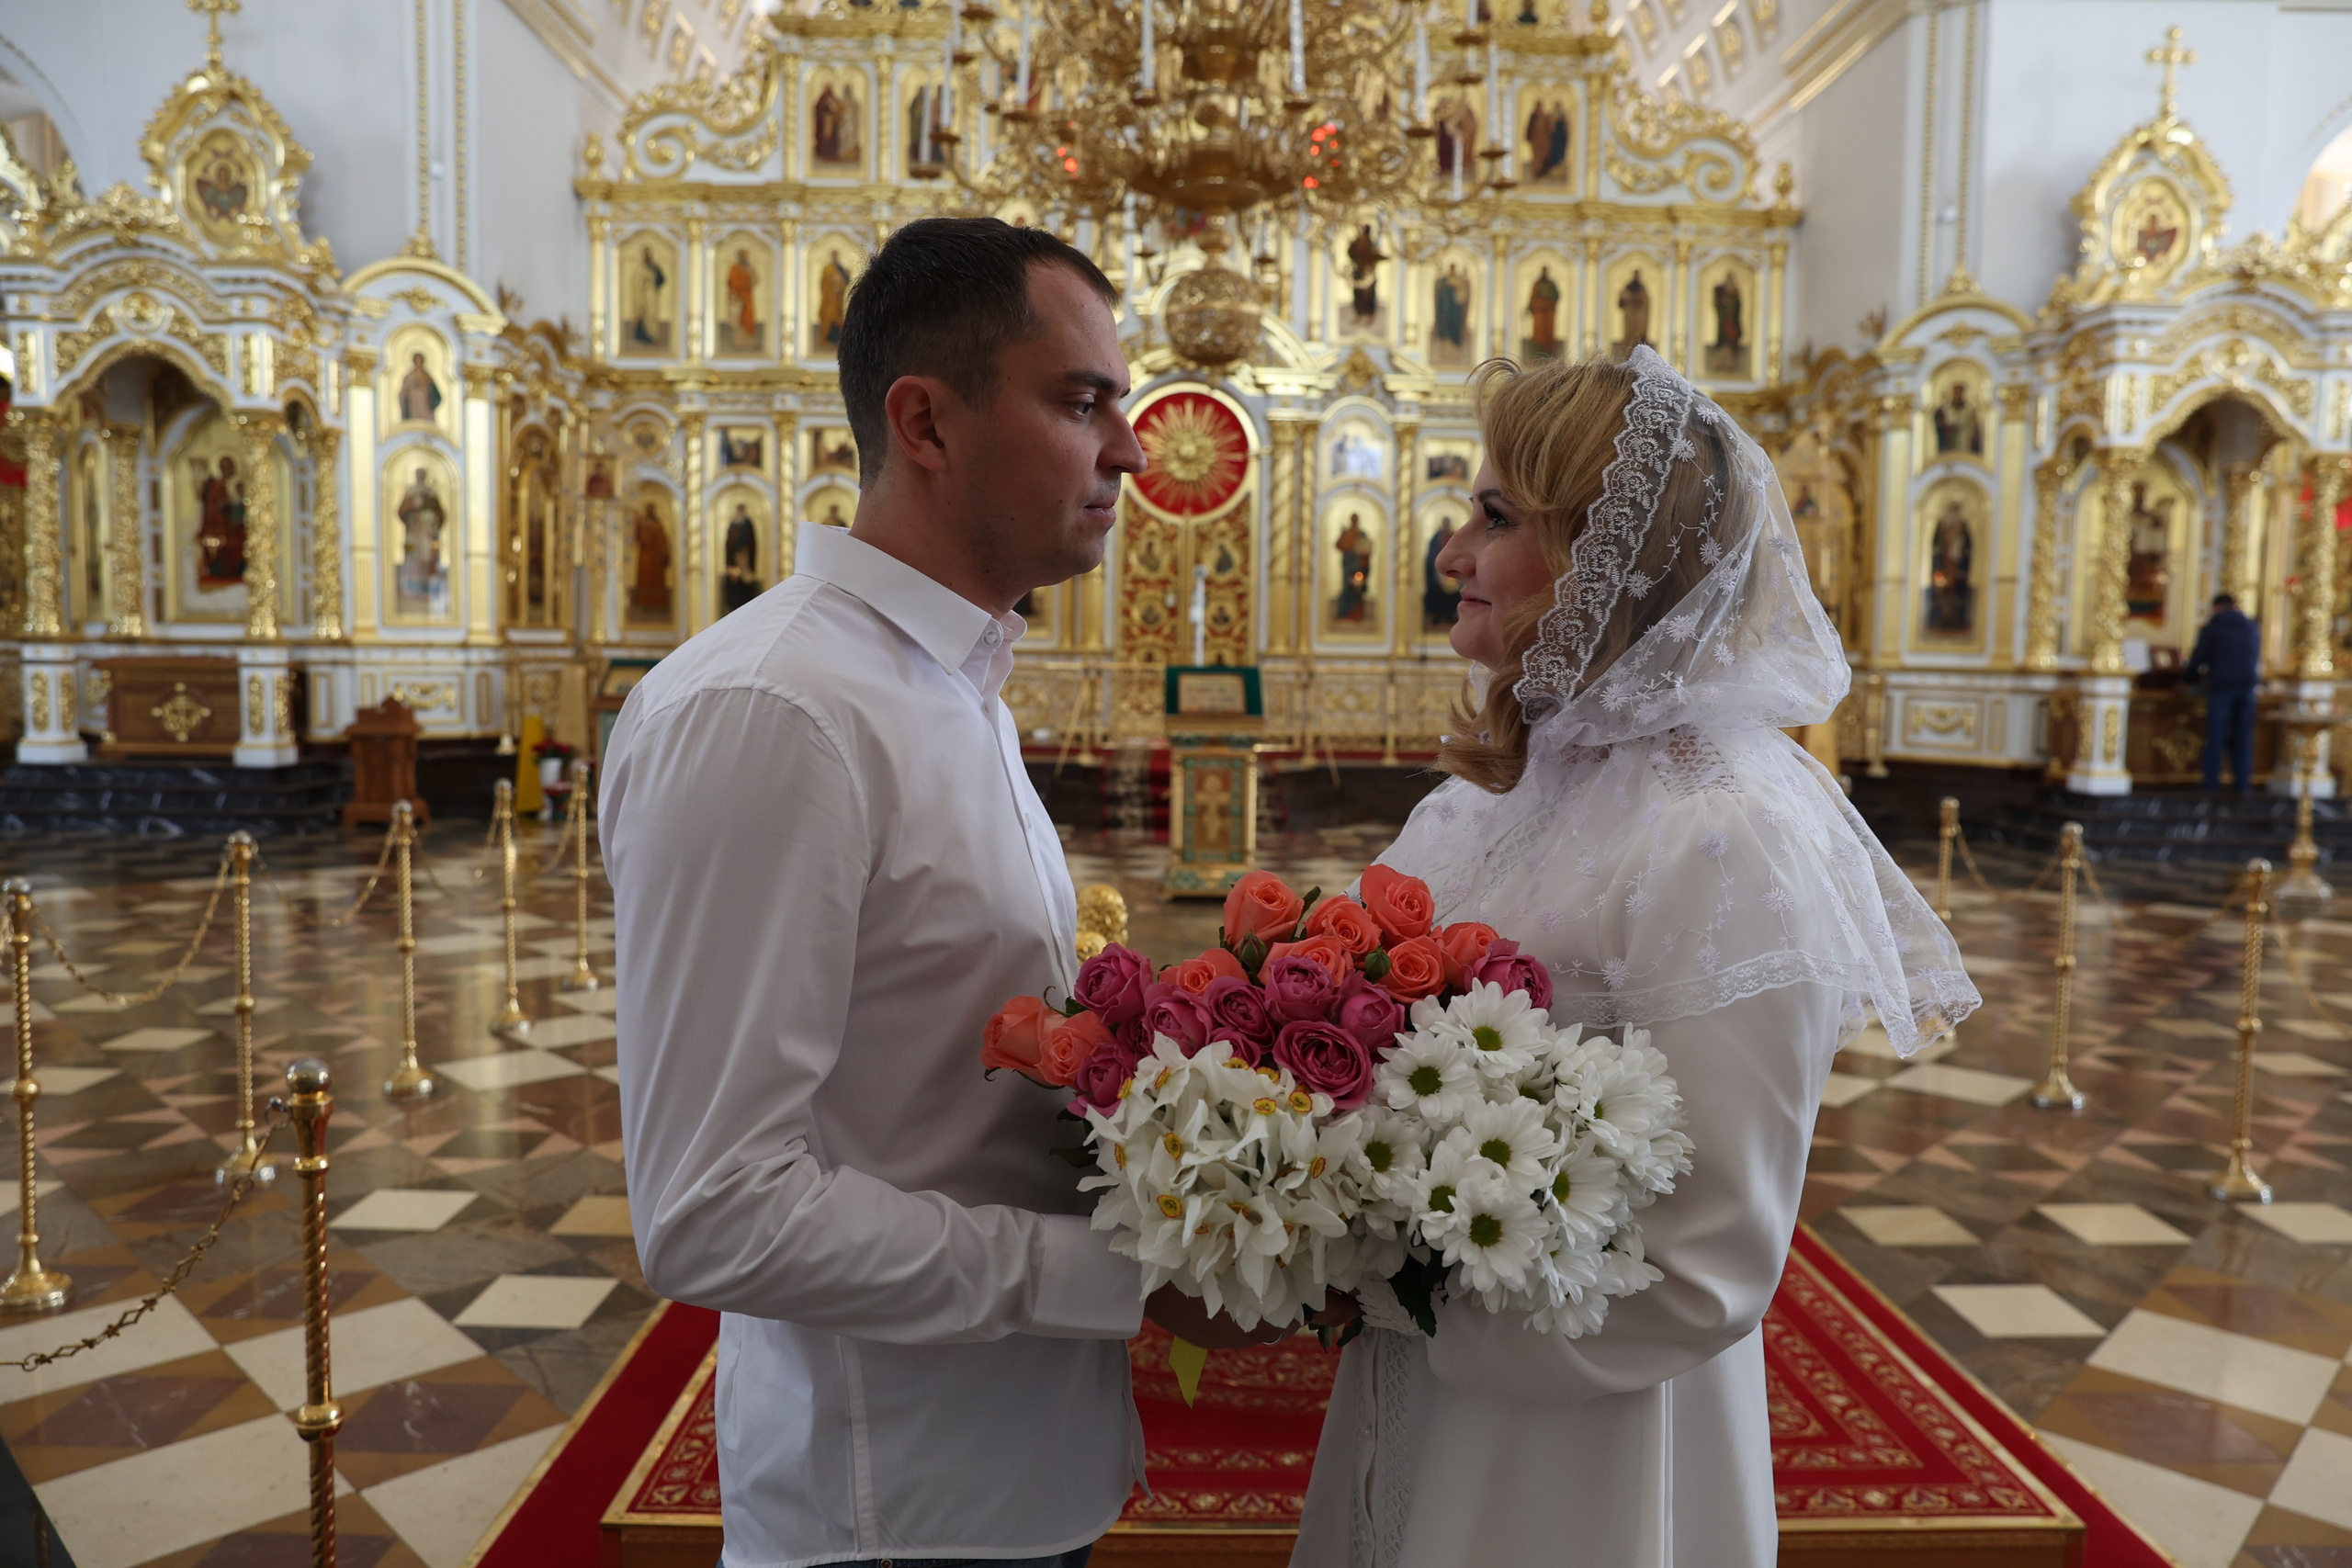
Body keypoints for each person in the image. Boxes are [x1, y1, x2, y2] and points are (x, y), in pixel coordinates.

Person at [603, 216, 1272, 1568]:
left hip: (1011, 1465)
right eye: (1083, 402)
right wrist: (1109, 1276)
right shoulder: (775, 711)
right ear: (926, 420)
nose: (1135, 450)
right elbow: (713, 1205)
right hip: (888, 1505)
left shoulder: (942, 683)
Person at [1291, 348, 1979, 1568]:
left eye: (1496, 516)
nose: (1451, 552)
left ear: (1614, 560)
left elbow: (1704, 1262)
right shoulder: (1505, 795)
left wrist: (1398, 1296)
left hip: (1585, 1440)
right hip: (1428, 1366)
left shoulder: (1722, 831)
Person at [2187, 592, 2261, 793]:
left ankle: (2210, 784)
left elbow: (2199, 657)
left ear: (2217, 607)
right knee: (2243, 738)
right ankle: (2243, 784)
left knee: (2216, 737)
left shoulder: (2215, 625)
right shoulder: (2249, 625)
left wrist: (2188, 679)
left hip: (2221, 688)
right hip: (2247, 688)